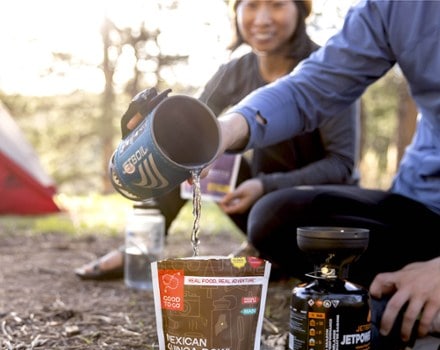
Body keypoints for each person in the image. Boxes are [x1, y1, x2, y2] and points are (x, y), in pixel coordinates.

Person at [211, 0, 440, 350]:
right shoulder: (393, 7)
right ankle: (404, 286)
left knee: (369, 329)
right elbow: (311, 88)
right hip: (422, 208)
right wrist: (220, 131)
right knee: (274, 216)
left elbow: (341, 163)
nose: (262, 17)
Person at [75, 0, 360, 280]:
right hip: (257, 205)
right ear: (235, 11)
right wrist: (152, 129)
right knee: (187, 152)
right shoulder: (235, 71)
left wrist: (264, 186)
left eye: (276, 4)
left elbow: (341, 165)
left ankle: (275, 254)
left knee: (269, 209)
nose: (261, 18)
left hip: (318, 210)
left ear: (300, 9)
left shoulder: (326, 73)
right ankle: (141, 248)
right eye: (251, 5)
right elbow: (189, 131)